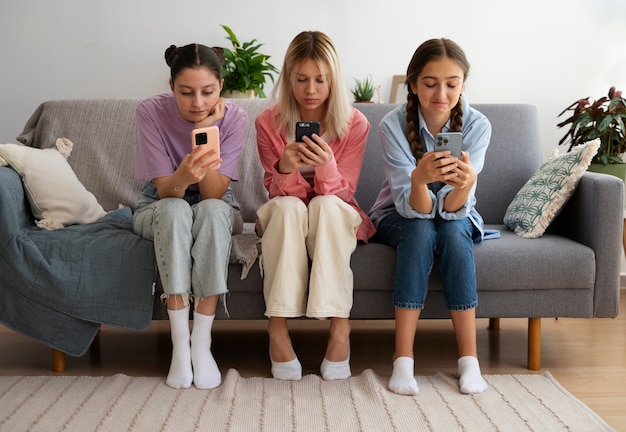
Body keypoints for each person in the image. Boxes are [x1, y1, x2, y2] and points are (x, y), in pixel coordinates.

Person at [369, 38, 490, 395]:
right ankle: (402, 359)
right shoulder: (392, 125)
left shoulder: (478, 125)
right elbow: (414, 208)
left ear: (463, 85)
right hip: (401, 212)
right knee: (422, 230)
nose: (441, 94)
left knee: (452, 234)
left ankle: (469, 360)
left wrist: (465, 185)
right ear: (413, 84)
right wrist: (420, 179)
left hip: (453, 211)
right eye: (430, 83)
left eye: (452, 84)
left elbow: (453, 211)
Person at [255, 31, 375, 381]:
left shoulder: (355, 124)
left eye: (321, 80)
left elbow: (343, 191)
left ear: (333, 80)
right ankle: (276, 328)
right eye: (302, 79)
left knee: (324, 205)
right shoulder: (267, 123)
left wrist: (324, 165)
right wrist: (285, 168)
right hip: (285, 213)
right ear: (288, 77)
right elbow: (276, 191)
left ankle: (340, 328)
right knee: (289, 208)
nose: (311, 90)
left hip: (333, 210)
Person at [132, 43, 247, 389]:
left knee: (211, 210)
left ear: (221, 87)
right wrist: (183, 175)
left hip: (216, 202)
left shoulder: (236, 118)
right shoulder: (150, 112)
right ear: (171, 88)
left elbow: (213, 193)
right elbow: (168, 190)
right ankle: (179, 346)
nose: (198, 103)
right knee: (175, 209)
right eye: (186, 93)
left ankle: (202, 344)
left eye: (208, 92)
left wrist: (205, 133)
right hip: (161, 201)